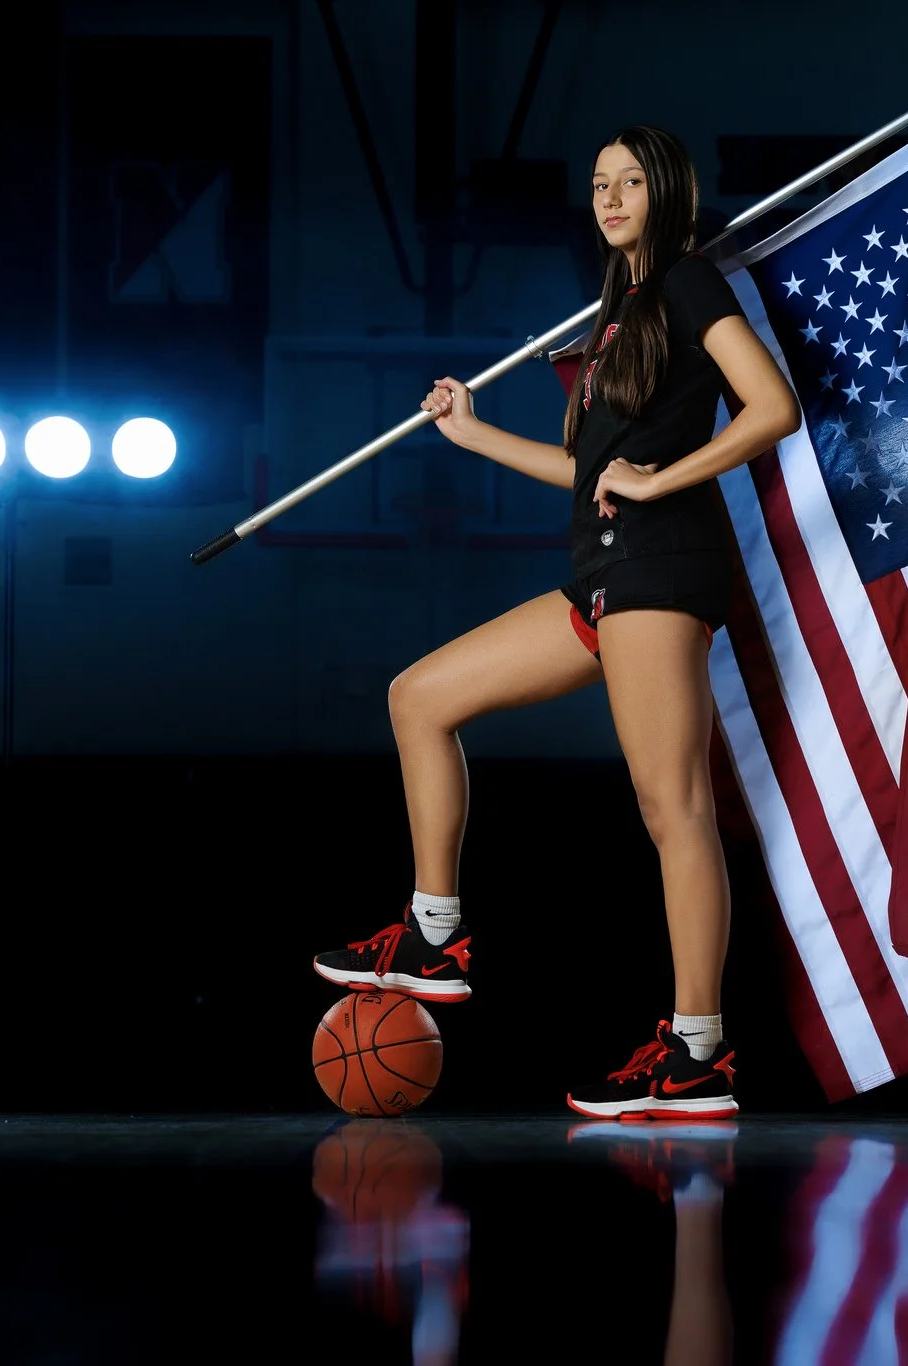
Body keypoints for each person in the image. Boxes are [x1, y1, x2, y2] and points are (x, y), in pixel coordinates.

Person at [313, 124, 800, 1119]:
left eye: (628, 181)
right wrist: (471, 432)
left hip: (661, 571)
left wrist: (660, 474)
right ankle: (433, 932)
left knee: (674, 811)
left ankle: (696, 1050)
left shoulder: (687, 281)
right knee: (420, 697)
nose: (609, 197)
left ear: (666, 190)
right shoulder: (620, 304)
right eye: (596, 183)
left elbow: (771, 408)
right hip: (602, 577)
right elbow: (587, 476)